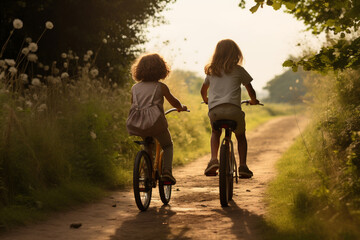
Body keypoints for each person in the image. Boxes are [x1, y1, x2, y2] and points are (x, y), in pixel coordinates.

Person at [200, 39, 260, 178]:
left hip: (215, 110)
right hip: (234, 111)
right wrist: (253, 100)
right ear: (236, 54)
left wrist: (206, 100)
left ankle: (214, 159)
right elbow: (250, 89)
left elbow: (203, 90)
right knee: (240, 136)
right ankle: (243, 166)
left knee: (215, 133)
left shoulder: (211, 71)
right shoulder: (239, 70)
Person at [128, 53, 187, 185]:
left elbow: (133, 104)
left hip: (138, 123)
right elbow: (174, 102)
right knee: (167, 145)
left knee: (148, 146)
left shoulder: (135, 88)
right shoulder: (160, 87)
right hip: (156, 123)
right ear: (161, 69)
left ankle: (146, 174)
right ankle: (167, 171)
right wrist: (180, 107)